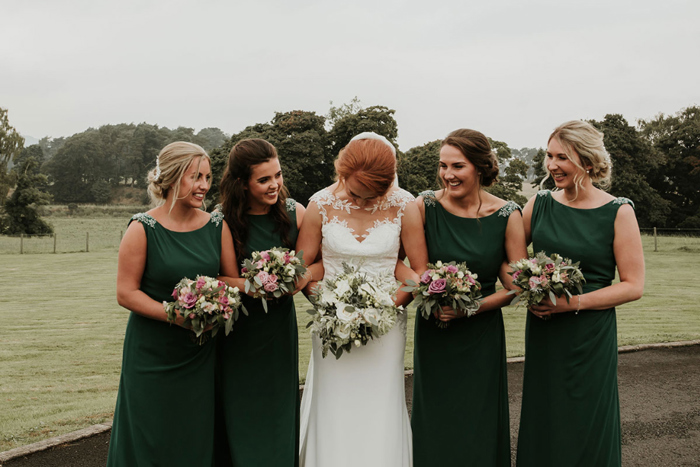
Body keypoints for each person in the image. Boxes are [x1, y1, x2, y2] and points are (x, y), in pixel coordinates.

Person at [516, 121, 645, 466]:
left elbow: (633, 285)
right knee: (546, 414)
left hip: (590, 336)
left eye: (563, 157)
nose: (552, 165)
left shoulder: (618, 211)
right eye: (549, 156)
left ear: (588, 162)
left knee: (587, 418)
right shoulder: (539, 204)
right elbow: (509, 258)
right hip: (545, 333)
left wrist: (573, 303)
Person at [297, 132, 428, 467]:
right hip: (331, 324)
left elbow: (419, 271)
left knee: (380, 402)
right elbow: (301, 270)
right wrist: (330, 308)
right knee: (335, 401)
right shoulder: (320, 205)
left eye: (372, 194)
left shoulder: (405, 205)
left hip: (387, 325)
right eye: (356, 192)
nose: (363, 201)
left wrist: (383, 309)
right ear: (343, 174)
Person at [107, 142, 237, 466]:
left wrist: (265, 283)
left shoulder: (216, 225)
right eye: (195, 177)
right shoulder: (142, 228)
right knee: (150, 434)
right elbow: (126, 293)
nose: (204, 185)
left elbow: (229, 280)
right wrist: (174, 314)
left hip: (198, 355)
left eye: (207, 177)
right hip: (151, 354)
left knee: (191, 435)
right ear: (172, 178)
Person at [411, 129, 528, 466]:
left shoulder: (508, 214)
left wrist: (470, 309)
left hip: (481, 335)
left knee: (478, 418)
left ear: (480, 167)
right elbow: (411, 268)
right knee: (435, 416)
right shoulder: (425, 205)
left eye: (458, 166)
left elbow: (515, 286)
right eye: (443, 165)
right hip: (437, 332)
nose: (448, 174)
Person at [215, 138, 308, 467]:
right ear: (242, 183)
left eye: (278, 175)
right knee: (241, 409)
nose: (275, 185)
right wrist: (258, 285)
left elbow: (316, 262)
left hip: (279, 330)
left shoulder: (295, 212)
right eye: (264, 179)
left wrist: (295, 282)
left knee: (279, 408)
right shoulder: (222, 220)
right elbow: (223, 278)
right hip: (239, 332)